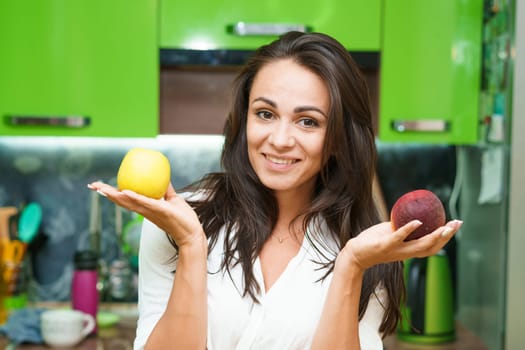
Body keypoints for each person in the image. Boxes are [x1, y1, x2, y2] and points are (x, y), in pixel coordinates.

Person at [88, 31, 462, 350]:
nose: (280, 140)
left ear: (336, 140)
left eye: (307, 121)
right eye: (265, 113)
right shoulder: (177, 220)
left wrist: (350, 266)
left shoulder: (366, 248)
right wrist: (190, 244)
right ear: (244, 118)